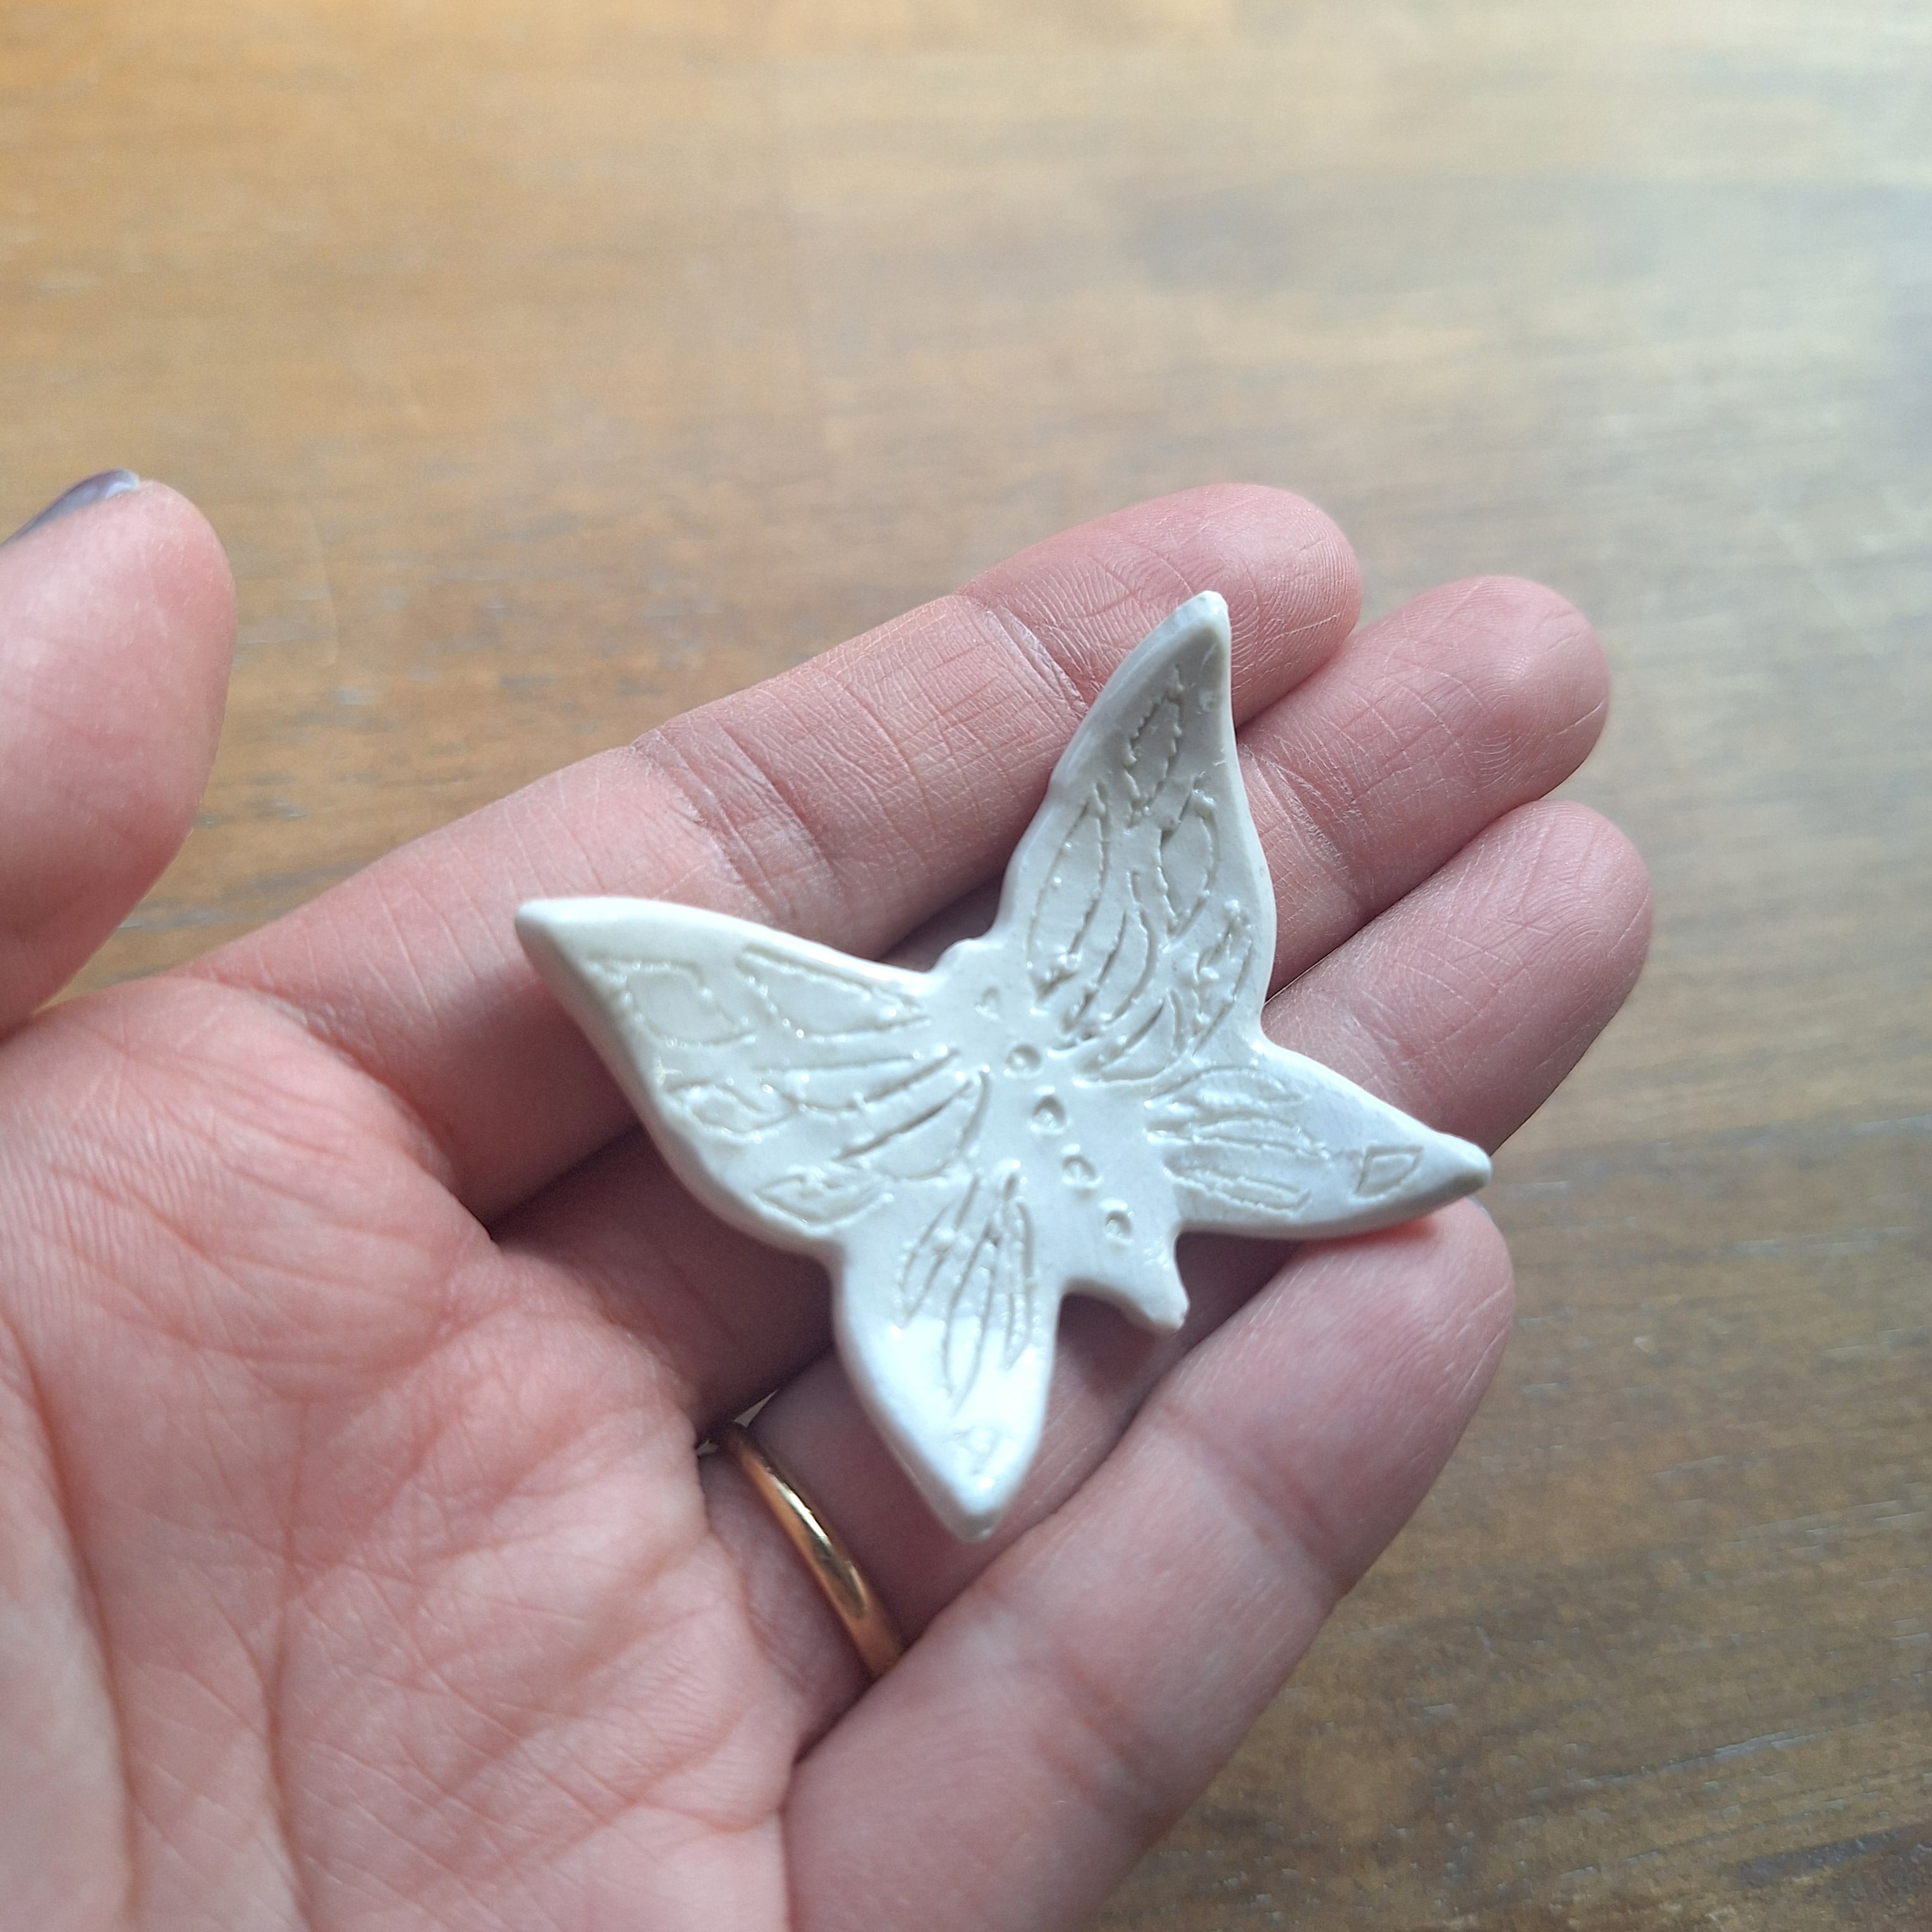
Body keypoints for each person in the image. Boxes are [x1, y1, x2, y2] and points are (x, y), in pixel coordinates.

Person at [0, 476, 1648, 1929]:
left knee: (1342, 1186)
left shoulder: (919, 1049)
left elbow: (1160, 754)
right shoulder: (1098, 999)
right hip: (1138, 1134)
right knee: (1058, 1375)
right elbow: (1117, 811)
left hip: (1107, 1148)